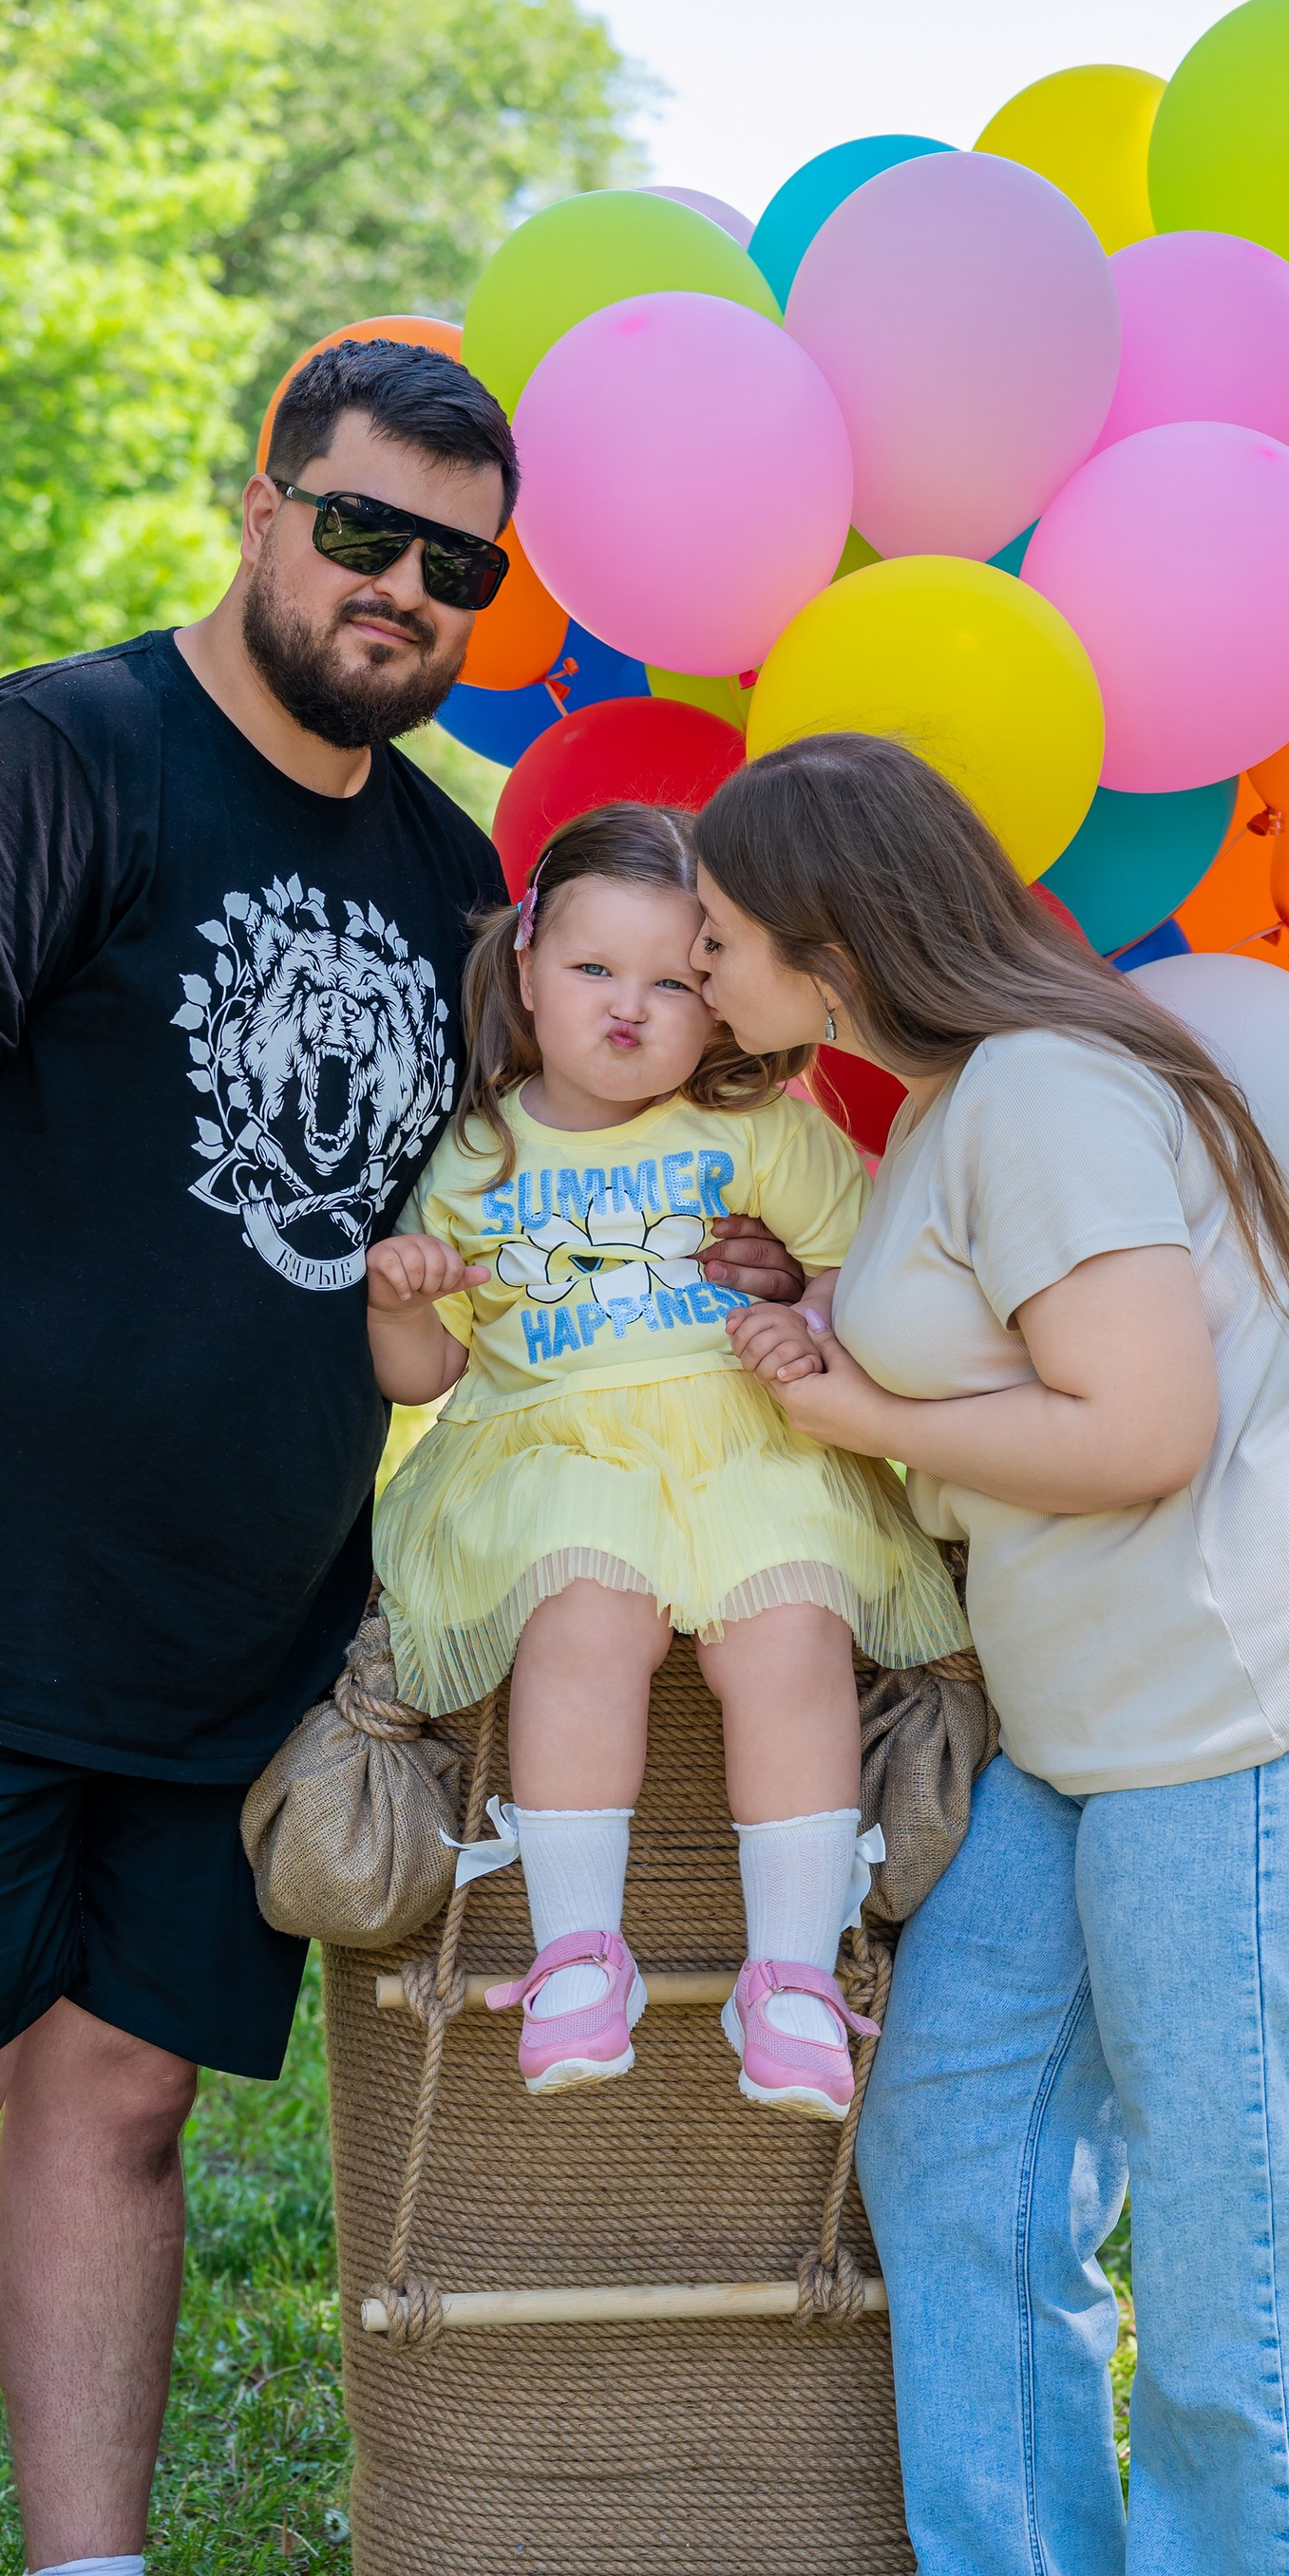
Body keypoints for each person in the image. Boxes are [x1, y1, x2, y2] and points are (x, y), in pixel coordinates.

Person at [0, 337, 802, 2576]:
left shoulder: (438, 884)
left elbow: (540, 1178)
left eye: (455, 564)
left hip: (243, 1632)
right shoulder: (51, 758)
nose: (398, 587)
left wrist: (744, 1263)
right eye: (362, 526)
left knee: (126, 2111)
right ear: (269, 498)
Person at [691, 732, 1289, 2576]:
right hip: (1084, 1738)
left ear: (823, 936)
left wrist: (855, 1409)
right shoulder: (939, 1109)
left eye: (717, 929)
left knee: (1240, 2278)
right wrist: (843, 1338)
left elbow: (1134, 1426)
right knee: (956, 2154)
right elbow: (1014, 1391)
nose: (698, 956)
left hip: (1240, 1729)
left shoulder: (1039, 1091)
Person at [364, 803, 964, 2115]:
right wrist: (401, 1298)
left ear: (725, 1002)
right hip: (555, 1448)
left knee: (790, 1625)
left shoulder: (756, 1131)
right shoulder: (475, 1153)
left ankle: (793, 1981)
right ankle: (580, 1950)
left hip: (741, 1446)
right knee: (584, 1610)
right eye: (593, 971)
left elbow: (875, 1271)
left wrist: (803, 1301)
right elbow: (424, 1373)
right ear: (525, 967)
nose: (630, 1010)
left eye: (677, 981)